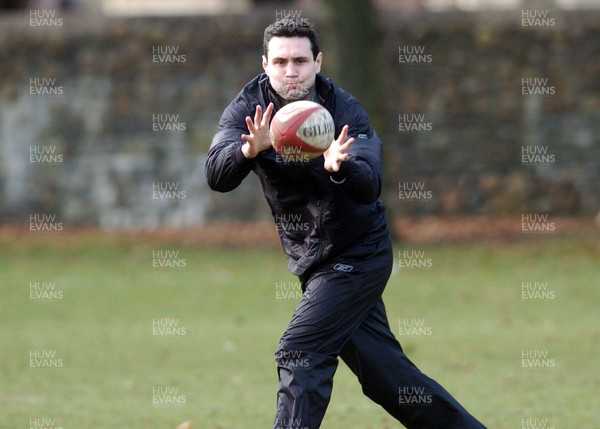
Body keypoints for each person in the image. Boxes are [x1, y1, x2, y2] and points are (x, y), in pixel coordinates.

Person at [205, 16, 486, 429]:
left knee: (299, 350)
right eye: (280, 61)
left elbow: (369, 184)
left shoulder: (344, 110)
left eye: (300, 60)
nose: (291, 71)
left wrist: (340, 168)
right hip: (312, 260)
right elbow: (216, 175)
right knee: (387, 379)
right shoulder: (249, 109)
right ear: (265, 64)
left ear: (318, 62)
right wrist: (247, 152)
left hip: (360, 253)